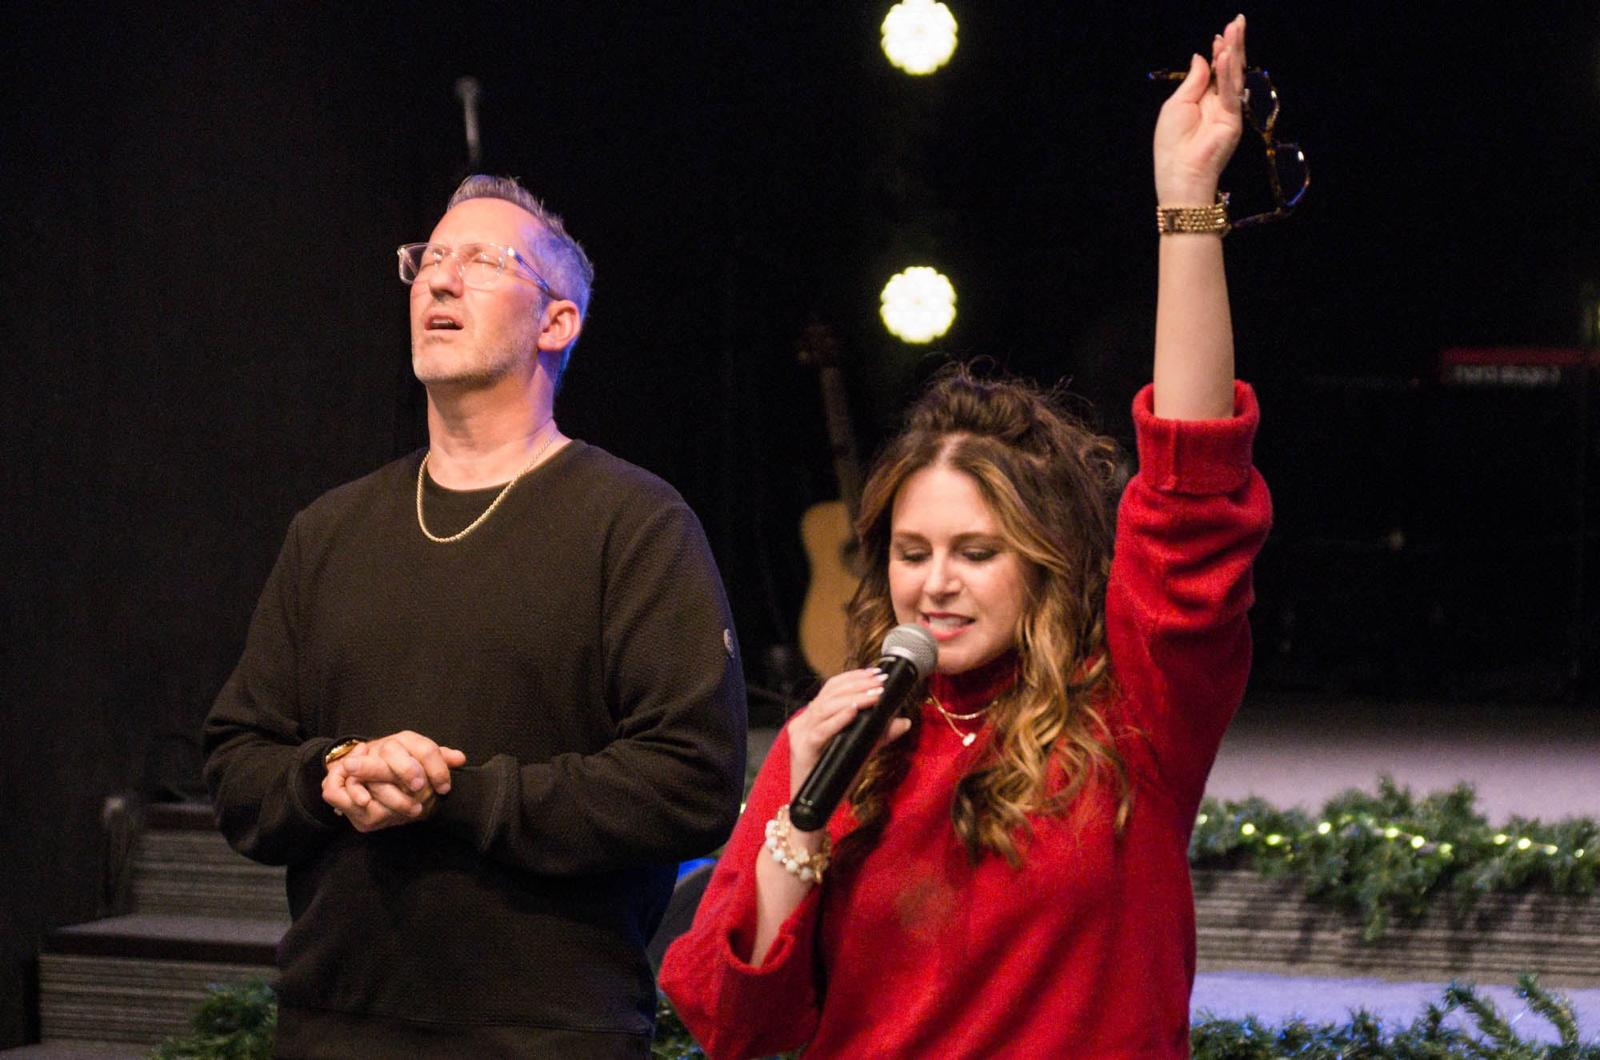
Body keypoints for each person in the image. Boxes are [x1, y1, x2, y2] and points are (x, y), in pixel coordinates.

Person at [659, 15, 1270, 1058]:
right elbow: (734, 1021)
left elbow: (1192, 491)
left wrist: (1187, 207)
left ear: (1046, 565)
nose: (933, 583)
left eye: (975, 553)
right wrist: (798, 816)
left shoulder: (1130, 714)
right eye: (911, 553)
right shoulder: (839, 739)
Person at [203, 175, 747, 1058]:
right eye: (429, 259)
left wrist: (456, 795)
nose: (441, 279)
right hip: (334, 1025)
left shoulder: (635, 523)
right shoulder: (330, 529)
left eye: (484, 260)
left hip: (547, 1035)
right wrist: (330, 773)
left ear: (557, 322)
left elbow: (692, 783)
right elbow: (237, 763)